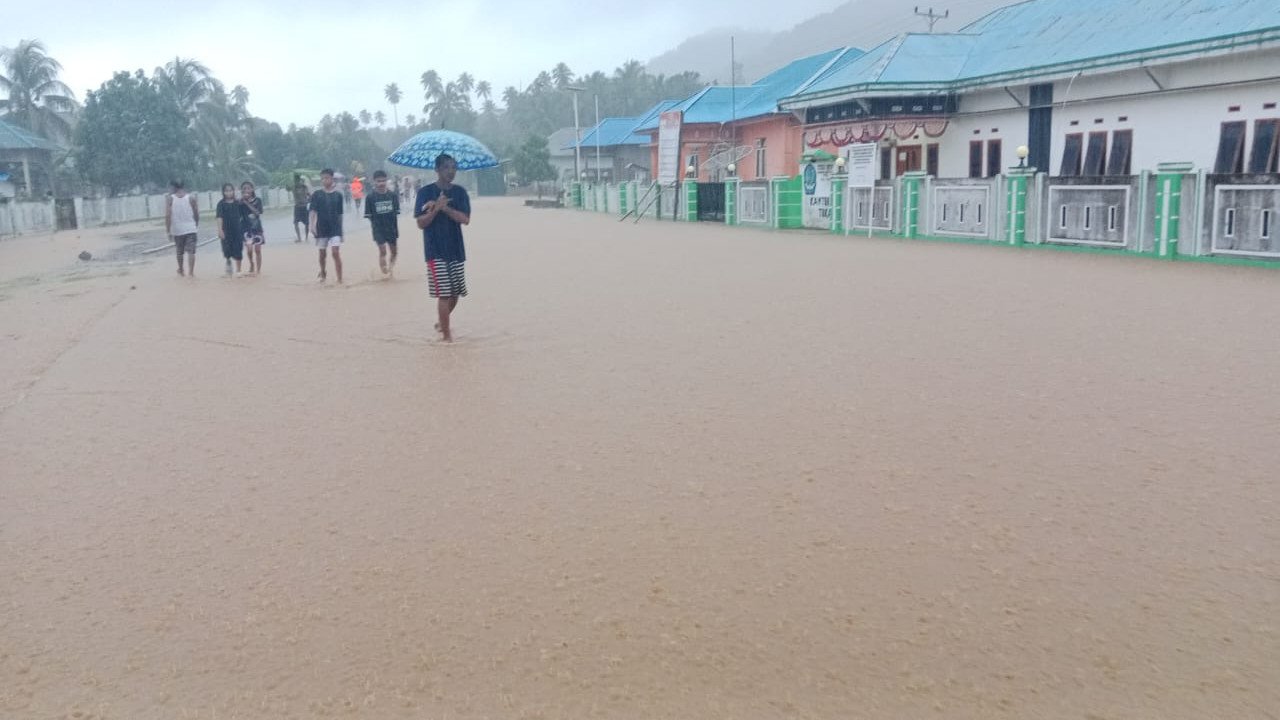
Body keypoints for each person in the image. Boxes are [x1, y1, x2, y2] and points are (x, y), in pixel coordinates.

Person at [414, 154, 471, 342]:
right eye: (447, 167)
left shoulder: (460, 193)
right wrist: (436, 208)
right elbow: (421, 223)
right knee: (444, 294)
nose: (451, 171)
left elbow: (465, 219)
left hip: (455, 250)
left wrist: (446, 209)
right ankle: (447, 338)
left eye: (454, 167)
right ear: (437, 169)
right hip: (435, 251)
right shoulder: (425, 193)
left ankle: (442, 322)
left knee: (455, 294)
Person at [310, 168, 345, 284]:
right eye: (323, 178)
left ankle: (340, 279)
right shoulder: (317, 195)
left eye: (327, 178)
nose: (325, 180)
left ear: (332, 179)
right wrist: (312, 226)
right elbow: (313, 211)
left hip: (335, 228)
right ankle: (323, 271)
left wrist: (341, 231)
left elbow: (340, 214)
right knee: (322, 254)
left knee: (335, 252)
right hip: (322, 227)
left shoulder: (338, 195)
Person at [363, 169, 400, 275]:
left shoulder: (393, 196)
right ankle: (384, 272)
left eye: (383, 181)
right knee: (382, 251)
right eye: (379, 181)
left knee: (394, 252)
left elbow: (396, 212)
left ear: (386, 181)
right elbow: (369, 215)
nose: (381, 183)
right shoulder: (370, 197)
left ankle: (391, 269)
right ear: (374, 182)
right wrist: (376, 225)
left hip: (392, 228)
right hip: (378, 229)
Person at [165, 179, 199, 277]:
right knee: (191, 251)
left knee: (179, 251)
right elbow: (196, 213)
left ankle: (181, 270)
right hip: (191, 228)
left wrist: (168, 231)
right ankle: (191, 273)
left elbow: (167, 215)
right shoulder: (191, 198)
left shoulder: (170, 199)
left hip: (177, 230)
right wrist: (196, 223)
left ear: (173, 187)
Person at [215, 183, 244, 277]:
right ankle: (229, 267)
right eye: (226, 191)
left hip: (237, 230)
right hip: (226, 230)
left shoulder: (238, 203)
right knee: (227, 250)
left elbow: (244, 215)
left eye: (230, 190)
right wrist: (220, 230)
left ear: (233, 191)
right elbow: (219, 217)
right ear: (223, 192)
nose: (228, 192)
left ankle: (239, 271)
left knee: (238, 249)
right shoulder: (221, 204)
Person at [240, 181, 265, 275]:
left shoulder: (258, 200)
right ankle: (251, 263)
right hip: (246, 229)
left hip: (257, 228)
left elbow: (258, 212)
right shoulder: (240, 202)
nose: (247, 190)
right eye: (244, 188)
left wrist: (246, 203)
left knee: (258, 250)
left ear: (252, 189)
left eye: (248, 188)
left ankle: (258, 271)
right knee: (249, 249)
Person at [292, 176, 310, 243]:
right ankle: (299, 238)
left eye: (300, 181)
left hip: (304, 206)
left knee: (307, 223)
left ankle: (306, 237)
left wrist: (308, 200)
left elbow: (309, 195)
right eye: (297, 181)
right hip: (297, 206)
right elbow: (289, 189)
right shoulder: (294, 188)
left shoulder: (305, 187)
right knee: (296, 223)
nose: (299, 182)